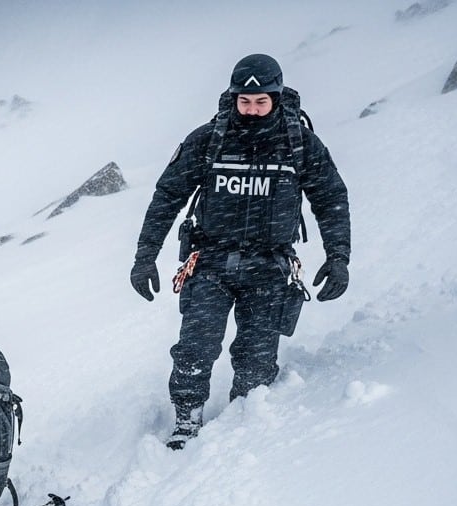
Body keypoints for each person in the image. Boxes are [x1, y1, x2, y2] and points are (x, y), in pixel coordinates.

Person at [130, 53, 351, 449]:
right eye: (244, 102)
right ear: (233, 97)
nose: (251, 111)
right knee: (194, 348)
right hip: (210, 262)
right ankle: (186, 419)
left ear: (277, 97)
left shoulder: (298, 143)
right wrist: (145, 256)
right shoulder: (209, 139)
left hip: (269, 267)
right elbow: (168, 195)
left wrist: (339, 257)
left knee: (256, 359)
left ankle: (243, 423)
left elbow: (331, 197)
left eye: (260, 102)